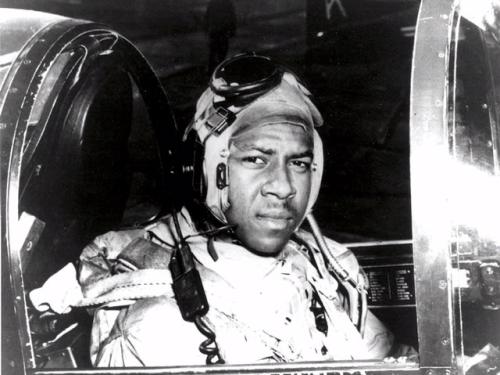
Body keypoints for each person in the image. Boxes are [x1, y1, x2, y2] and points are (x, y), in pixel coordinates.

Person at [30, 54, 412, 367]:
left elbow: (390, 358)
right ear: (207, 171)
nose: (283, 187)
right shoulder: (156, 326)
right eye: (257, 159)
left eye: (298, 163)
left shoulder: (325, 266)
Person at [205, 0, 237, 73]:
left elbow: (207, 15)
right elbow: (232, 16)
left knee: (213, 50)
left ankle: (211, 69)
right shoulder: (227, 3)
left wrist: (206, 27)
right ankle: (220, 68)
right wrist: (233, 29)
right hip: (223, 29)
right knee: (222, 51)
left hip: (215, 28)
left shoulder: (213, 2)